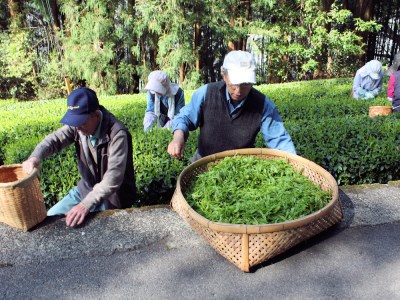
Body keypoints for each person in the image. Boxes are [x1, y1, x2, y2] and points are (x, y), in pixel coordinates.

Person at [22, 87, 137, 227]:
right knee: (49, 219)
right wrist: (35, 157)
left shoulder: (117, 134)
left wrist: (85, 205)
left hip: (112, 198)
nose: (77, 128)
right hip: (86, 189)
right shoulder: (78, 126)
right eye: (74, 122)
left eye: (82, 122)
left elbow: (113, 178)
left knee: (83, 228)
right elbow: (54, 140)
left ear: (96, 114)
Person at [167, 50, 296, 162]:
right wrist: (178, 138)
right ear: (224, 75)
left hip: (240, 165)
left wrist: (295, 164)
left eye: (245, 84)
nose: (238, 91)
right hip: (204, 160)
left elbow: (280, 141)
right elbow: (185, 118)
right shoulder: (206, 93)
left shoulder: (263, 105)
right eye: (234, 83)